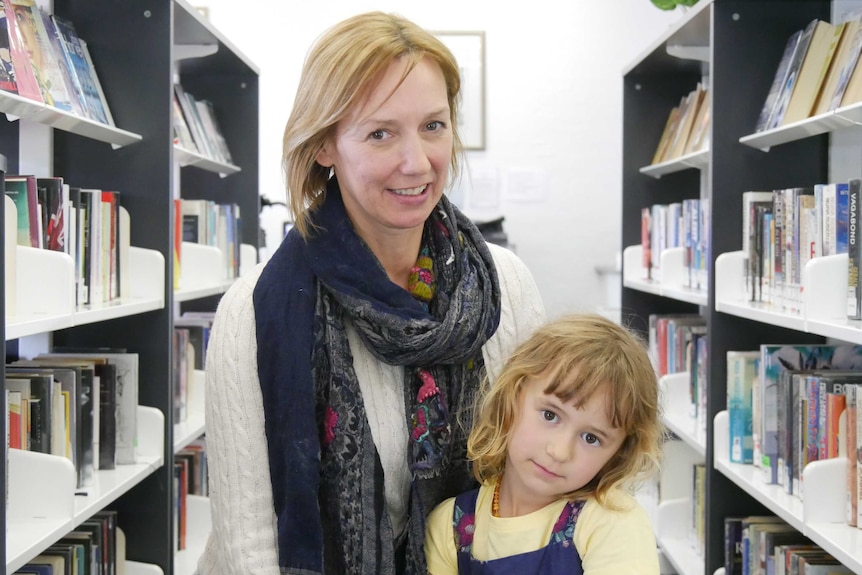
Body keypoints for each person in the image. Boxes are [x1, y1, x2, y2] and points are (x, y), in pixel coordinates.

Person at [197, 11, 546, 575]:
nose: (417, 162)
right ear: (325, 146)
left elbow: (541, 480)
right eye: (381, 133)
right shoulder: (255, 311)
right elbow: (254, 546)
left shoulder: (503, 287)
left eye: (433, 125)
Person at [425, 314, 664, 574]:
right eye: (550, 415)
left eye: (591, 438)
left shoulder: (612, 521)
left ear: (618, 454)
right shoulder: (449, 527)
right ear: (512, 396)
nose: (559, 452)